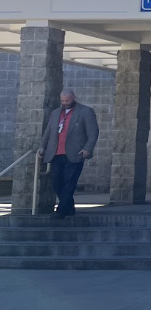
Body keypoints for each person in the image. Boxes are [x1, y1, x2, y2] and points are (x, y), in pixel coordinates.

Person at [36, 89, 100, 217]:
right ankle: (69, 207)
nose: (65, 103)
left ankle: (61, 210)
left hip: (75, 153)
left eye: (68, 100)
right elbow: (48, 131)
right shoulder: (55, 113)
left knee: (69, 182)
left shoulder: (85, 112)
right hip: (56, 153)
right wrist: (42, 146)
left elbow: (93, 132)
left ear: (74, 98)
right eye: (63, 101)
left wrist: (88, 148)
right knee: (56, 183)